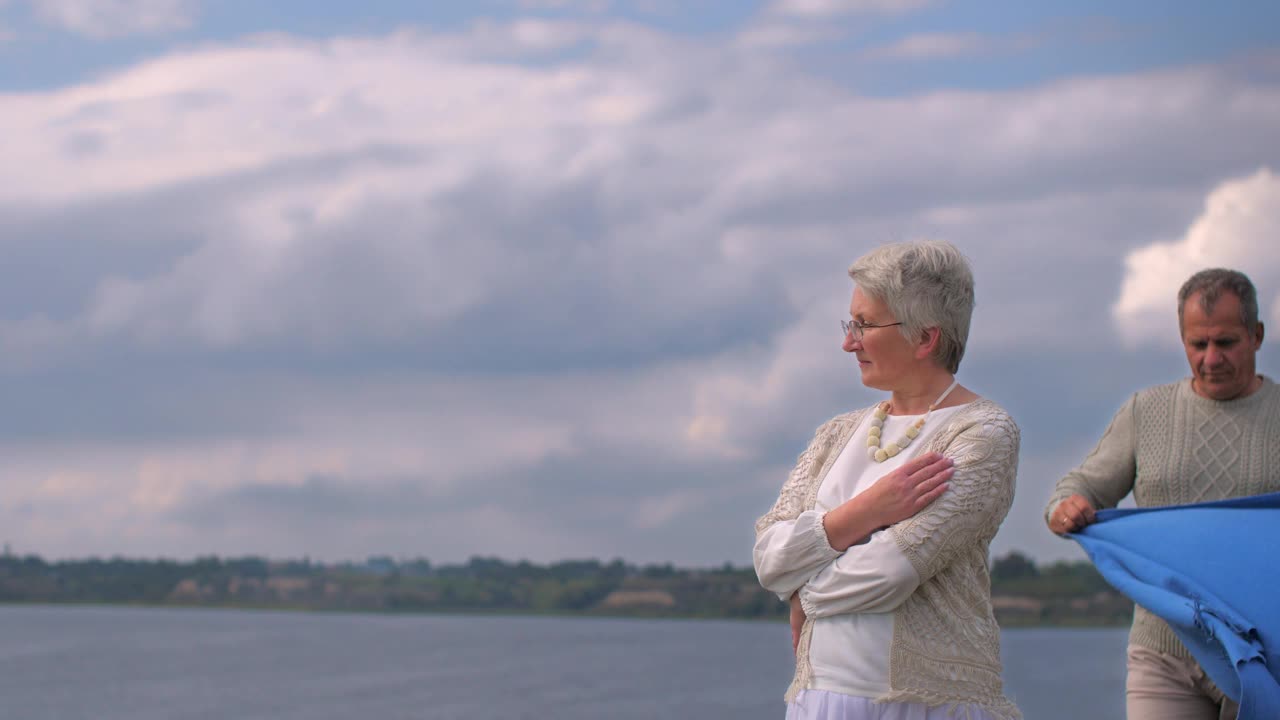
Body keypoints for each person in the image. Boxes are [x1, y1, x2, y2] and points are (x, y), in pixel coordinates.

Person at [754, 240, 1022, 720]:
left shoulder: (982, 432)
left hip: (932, 704)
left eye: (864, 324)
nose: (848, 342)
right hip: (820, 701)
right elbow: (770, 559)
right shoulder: (835, 434)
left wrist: (802, 593)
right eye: (850, 323)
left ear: (925, 338)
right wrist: (869, 510)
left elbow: (890, 572)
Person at [1046, 268, 1278, 720]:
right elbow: (1082, 486)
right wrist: (1064, 507)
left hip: (1265, 655)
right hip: (1161, 654)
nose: (1211, 358)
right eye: (1198, 344)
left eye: (1226, 342)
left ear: (1257, 335)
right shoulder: (1145, 412)